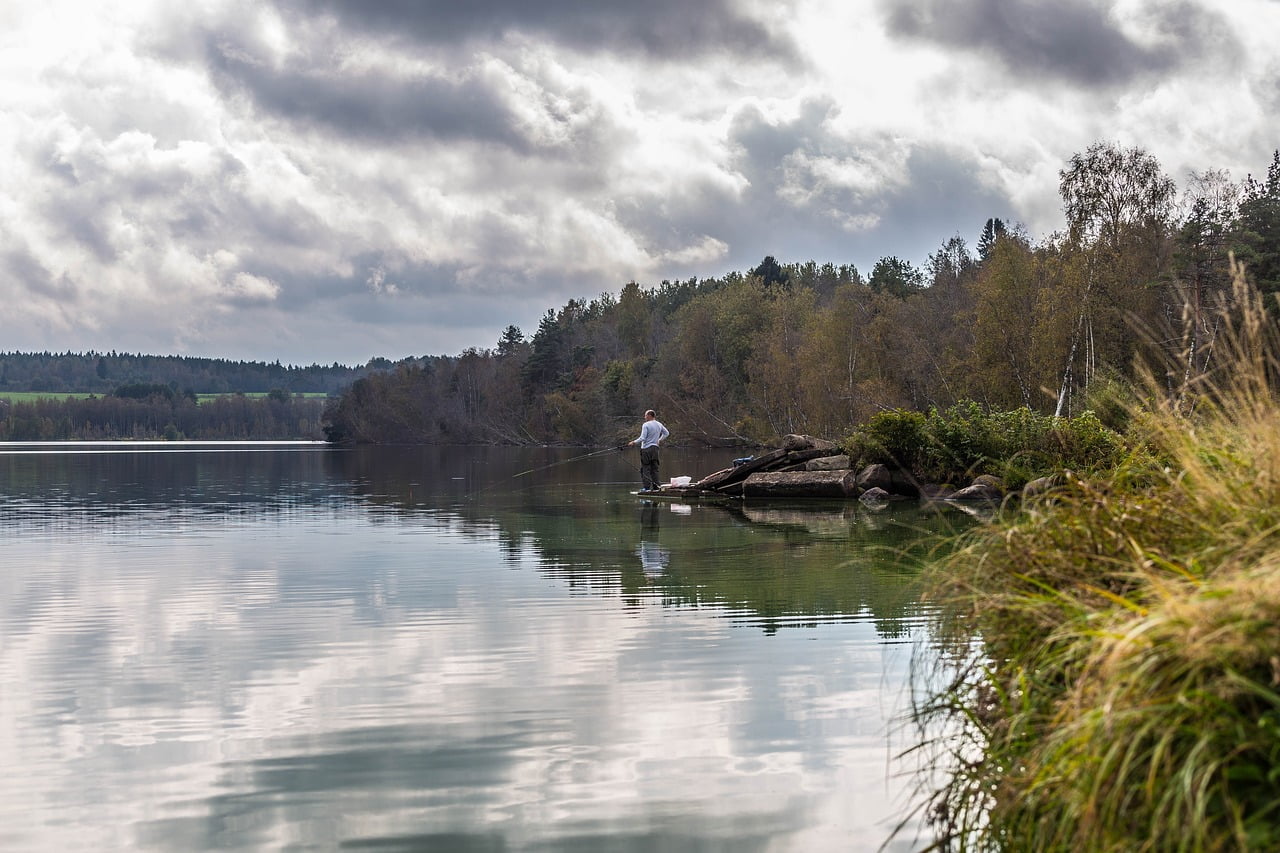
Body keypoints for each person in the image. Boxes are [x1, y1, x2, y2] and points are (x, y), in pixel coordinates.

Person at [628, 409, 669, 491]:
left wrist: (633, 442)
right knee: (654, 469)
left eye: (645, 415)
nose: (644, 417)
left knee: (645, 469)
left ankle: (646, 488)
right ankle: (657, 487)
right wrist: (659, 440)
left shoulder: (646, 425)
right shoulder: (659, 424)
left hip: (646, 449)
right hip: (655, 449)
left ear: (650, 415)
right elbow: (666, 433)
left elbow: (643, 438)